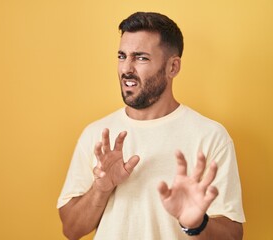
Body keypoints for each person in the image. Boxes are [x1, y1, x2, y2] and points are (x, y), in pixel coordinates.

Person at [57, 12, 245, 240]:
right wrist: (101, 189)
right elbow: (72, 230)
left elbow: (233, 235)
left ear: (173, 67)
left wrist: (196, 223)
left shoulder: (210, 136)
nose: (126, 68)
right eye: (121, 55)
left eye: (141, 58)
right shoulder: (97, 135)